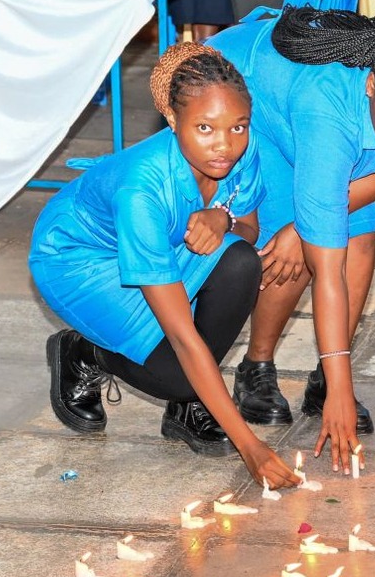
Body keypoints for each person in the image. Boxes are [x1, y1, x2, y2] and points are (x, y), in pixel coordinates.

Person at [32, 44, 298, 490]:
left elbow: (247, 230)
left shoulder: (238, 152)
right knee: (174, 372)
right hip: (78, 257)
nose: (225, 145)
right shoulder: (142, 191)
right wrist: (251, 447)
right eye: (205, 128)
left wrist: (223, 217)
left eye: (238, 127)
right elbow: (181, 334)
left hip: (153, 242)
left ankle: (193, 404)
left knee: (239, 262)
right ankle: (84, 352)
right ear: (173, 122)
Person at [210, 8, 375, 470]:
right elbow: (327, 271)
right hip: (251, 100)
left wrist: (309, 217)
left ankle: (327, 376)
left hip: (308, 113)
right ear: (370, 86)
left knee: (359, 235)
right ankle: (256, 370)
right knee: (303, 256)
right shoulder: (327, 115)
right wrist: (304, 224)